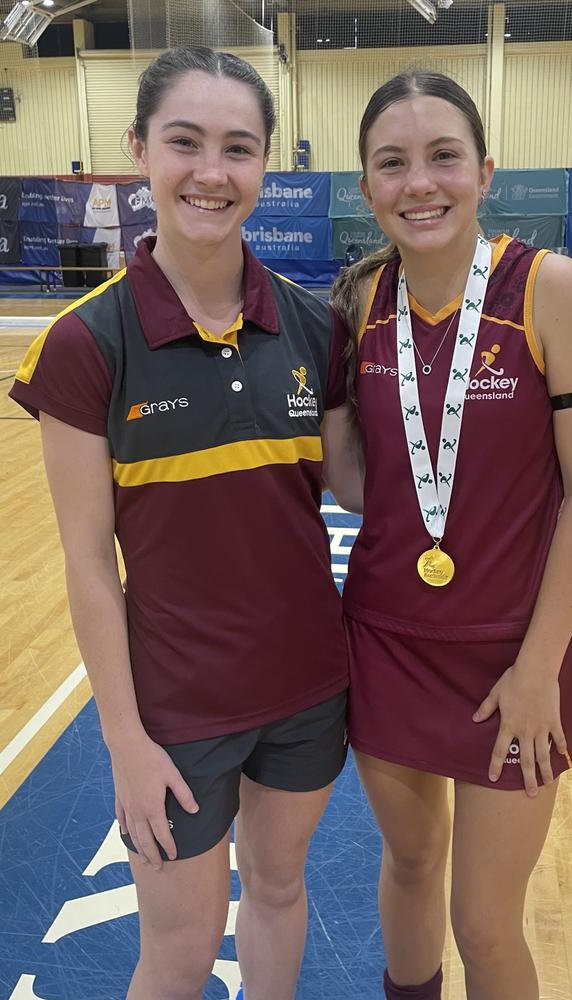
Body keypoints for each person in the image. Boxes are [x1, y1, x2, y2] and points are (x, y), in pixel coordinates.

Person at [11, 46, 362, 1000]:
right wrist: (123, 737)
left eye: (239, 148)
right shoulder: (86, 343)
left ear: (268, 165)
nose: (212, 171)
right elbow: (88, 561)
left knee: (281, 890)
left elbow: (363, 491)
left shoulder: (315, 328)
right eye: (185, 142)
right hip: (173, 714)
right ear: (138, 151)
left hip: (305, 686)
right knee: (176, 949)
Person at [331, 70, 572, 1000]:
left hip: (513, 658)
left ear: (484, 170)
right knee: (410, 872)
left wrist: (539, 669)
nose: (421, 182)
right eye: (393, 163)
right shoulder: (358, 307)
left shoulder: (550, 289)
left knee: (487, 925)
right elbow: (360, 484)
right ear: (366, 184)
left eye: (443, 157)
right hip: (387, 643)